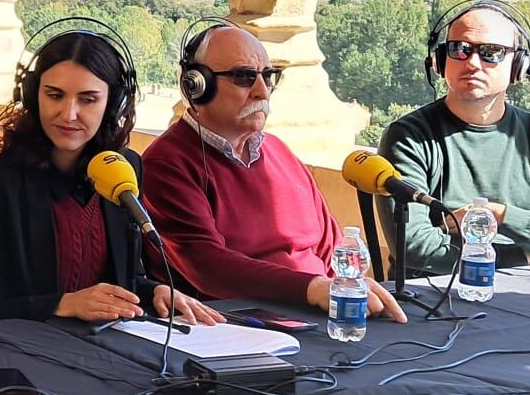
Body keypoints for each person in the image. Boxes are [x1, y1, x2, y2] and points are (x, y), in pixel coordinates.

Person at [0, 27, 222, 327]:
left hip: (107, 347)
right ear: (32, 96)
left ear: (113, 104)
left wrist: (156, 292)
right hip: (29, 351)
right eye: (54, 95)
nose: (69, 114)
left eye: (88, 99)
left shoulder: (124, 169)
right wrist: (63, 304)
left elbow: (125, 280)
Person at [142, 23, 406, 322]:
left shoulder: (279, 152)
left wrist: (343, 292)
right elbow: (207, 266)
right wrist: (312, 289)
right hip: (241, 330)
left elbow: (329, 246)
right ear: (196, 85)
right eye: (244, 77)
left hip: (320, 316)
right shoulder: (166, 163)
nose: (262, 91)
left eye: (268, 76)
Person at [379, 0, 530, 275]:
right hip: (432, 301)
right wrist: (522, 257)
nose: (473, 63)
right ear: (441, 60)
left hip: (527, 298)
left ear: (519, 65)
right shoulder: (409, 138)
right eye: (460, 49)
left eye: (492, 52)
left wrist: (500, 215)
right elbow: (415, 248)